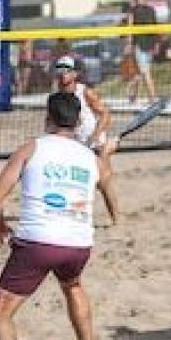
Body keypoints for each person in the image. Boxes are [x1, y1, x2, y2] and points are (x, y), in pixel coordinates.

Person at [0, 92, 118, 340]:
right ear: (80, 121)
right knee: (72, 285)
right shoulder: (89, 157)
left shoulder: (32, 148)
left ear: (48, 119)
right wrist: (107, 152)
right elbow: (107, 177)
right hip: (79, 245)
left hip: (38, 243)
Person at [54, 55, 119, 220]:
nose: (62, 74)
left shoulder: (85, 92)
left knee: (103, 182)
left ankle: (117, 219)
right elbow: (51, 123)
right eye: (59, 70)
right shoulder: (56, 97)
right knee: (73, 183)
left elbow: (105, 114)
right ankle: (75, 216)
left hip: (95, 144)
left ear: (75, 74)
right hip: (74, 147)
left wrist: (95, 135)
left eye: (66, 71)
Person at [126, 0, 157, 105]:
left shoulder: (137, 11)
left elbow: (154, 27)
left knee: (142, 73)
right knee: (143, 72)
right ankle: (145, 98)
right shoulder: (138, 11)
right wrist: (155, 44)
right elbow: (130, 28)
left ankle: (141, 97)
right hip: (143, 45)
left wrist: (129, 45)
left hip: (144, 45)